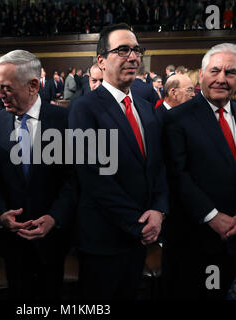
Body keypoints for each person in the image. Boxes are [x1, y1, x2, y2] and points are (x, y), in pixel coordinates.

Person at [162, 43, 236, 300]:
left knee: (218, 293)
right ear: (201, 75)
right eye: (214, 71)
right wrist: (211, 215)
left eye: (230, 72)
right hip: (191, 238)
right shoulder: (176, 119)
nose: (221, 79)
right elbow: (177, 175)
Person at [69, 23, 168, 300]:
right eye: (123, 50)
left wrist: (159, 210)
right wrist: (140, 225)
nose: (133, 57)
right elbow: (93, 177)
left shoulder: (147, 108)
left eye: (137, 50)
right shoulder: (84, 108)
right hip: (104, 238)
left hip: (143, 235)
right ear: (101, 61)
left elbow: (159, 166)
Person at [0, 50, 75, 300]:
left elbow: (73, 179)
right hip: (12, 241)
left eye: (6, 88)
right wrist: (0, 213)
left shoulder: (66, 120)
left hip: (54, 239)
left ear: (33, 85)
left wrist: (55, 217)